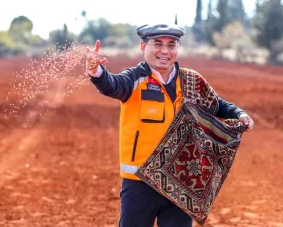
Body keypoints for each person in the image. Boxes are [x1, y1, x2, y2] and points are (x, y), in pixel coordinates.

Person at [85, 24, 254, 227]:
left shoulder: (191, 80)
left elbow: (217, 104)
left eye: (171, 45)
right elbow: (111, 84)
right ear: (143, 46)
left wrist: (239, 113)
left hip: (181, 184)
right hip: (139, 182)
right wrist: (96, 72)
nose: (165, 51)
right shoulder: (134, 79)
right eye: (158, 44)